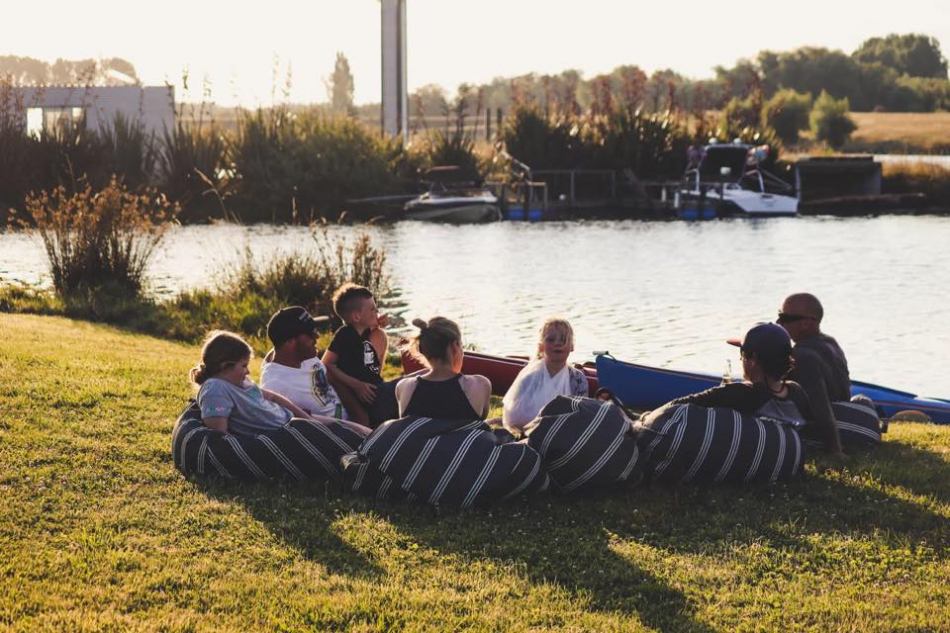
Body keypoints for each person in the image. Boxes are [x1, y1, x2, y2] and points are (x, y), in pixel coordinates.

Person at [189, 330, 370, 437]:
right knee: (342, 436)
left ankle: (376, 438)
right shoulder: (215, 388)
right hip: (282, 433)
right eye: (243, 366)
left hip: (291, 419)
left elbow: (273, 396)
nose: (248, 372)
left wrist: (305, 417)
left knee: (351, 428)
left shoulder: (240, 382)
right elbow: (220, 435)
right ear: (224, 366)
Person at [666, 323, 814, 429]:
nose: (741, 360)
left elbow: (675, 406)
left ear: (754, 359)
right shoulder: (797, 392)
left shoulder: (740, 393)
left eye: (742, 354)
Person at [777, 292, 850, 457]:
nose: (778, 323)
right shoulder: (830, 342)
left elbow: (820, 406)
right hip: (845, 414)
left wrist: (834, 450)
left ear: (807, 322)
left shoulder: (802, 357)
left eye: (785, 318)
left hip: (832, 429)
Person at [322, 283, 394, 426]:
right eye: (373, 309)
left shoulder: (364, 332)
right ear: (356, 317)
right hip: (367, 394)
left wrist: (376, 322)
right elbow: (326, 363)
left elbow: (370, 329)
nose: (377, 312)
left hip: (375, 389)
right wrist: (357, 385)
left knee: (414, 382)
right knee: (414, 385)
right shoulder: (345, 334)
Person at [502, 317, 589, 433]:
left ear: (572, 346)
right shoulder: (530, 376)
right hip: (531, 432)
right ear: (540, 346)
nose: (557, 343)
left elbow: (581, 415)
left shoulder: (577, 379)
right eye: (551, 340)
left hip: (564, 434)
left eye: (563, 340)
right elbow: (515, 416)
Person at [259, 306, 346, 420]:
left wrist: (359, 417)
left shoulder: (305, 355)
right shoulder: (275, 385)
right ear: (290, 342)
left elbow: (333, 381)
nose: (317, 336)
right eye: (310, 334)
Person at [396, 317, 491, 420]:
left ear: (422, 350)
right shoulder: (480, 384)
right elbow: (479, 424)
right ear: (455, 346)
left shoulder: (404, 387)